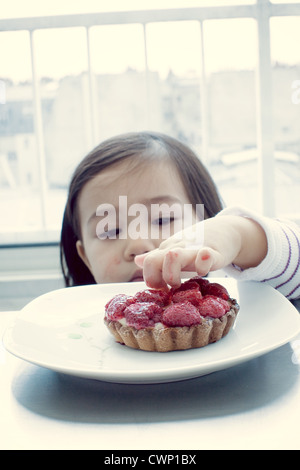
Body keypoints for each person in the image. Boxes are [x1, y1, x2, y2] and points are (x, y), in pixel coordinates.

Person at [60, 131, 300, 300]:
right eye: (110, 230)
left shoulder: (237, 285)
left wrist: (236, 235)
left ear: (205, 221)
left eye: (164, 219)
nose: (139, 244)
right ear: (86, 258)